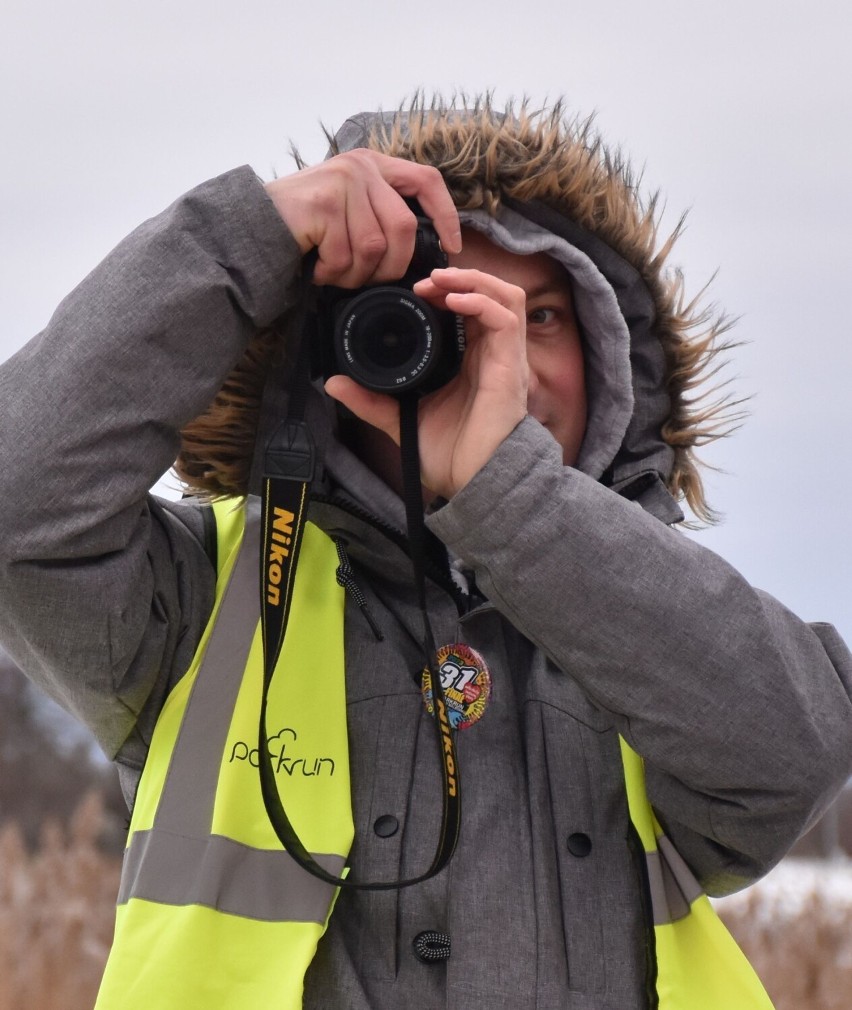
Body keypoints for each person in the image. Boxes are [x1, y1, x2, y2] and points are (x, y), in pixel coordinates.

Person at [1, 97, 850, 1010]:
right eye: (438, 317)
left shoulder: (662, 620)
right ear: (335, 352)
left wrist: (513, 498)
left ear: (612, 359)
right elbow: (23, 506)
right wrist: (246, 237)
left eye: (543, 316)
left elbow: (793, 755)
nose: (499, 359)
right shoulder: (203, 603)